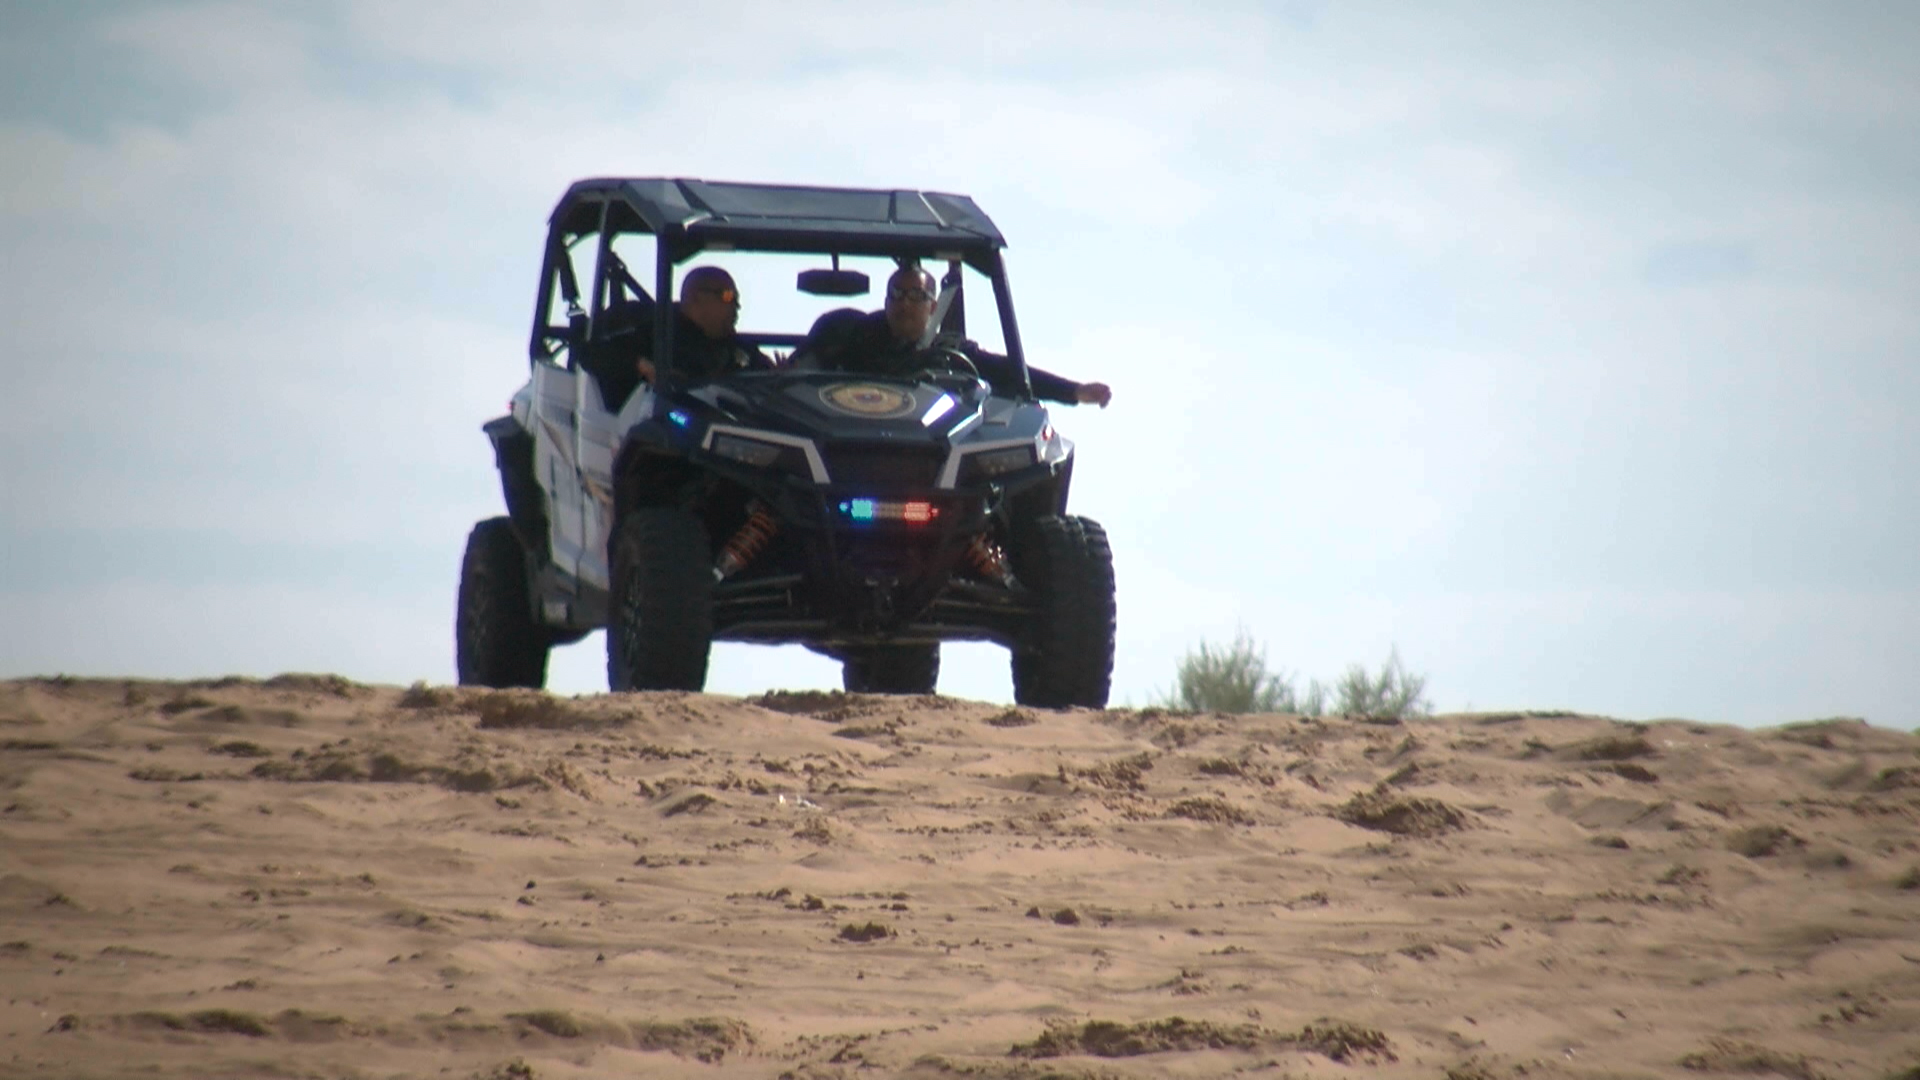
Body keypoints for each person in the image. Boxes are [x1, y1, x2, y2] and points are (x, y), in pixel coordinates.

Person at [793, 266, 1112, 407]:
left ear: (933, 306)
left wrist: (1074, 391)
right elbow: (791, 376)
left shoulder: (949, 350)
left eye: (916, 296)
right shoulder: (846, 332)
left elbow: (1004, 370)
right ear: (886, 301)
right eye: (898, 294)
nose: (905, 303)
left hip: (925, 453)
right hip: (839, 439)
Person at [634, 265, 774, 388]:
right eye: (728, 296)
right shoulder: (655, 331)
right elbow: (615, 355)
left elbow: (769, 378)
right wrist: (641, 366)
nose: (736, 306)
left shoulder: (741, 349)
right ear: (695, 297)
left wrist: (780, 376)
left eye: (736, 299)